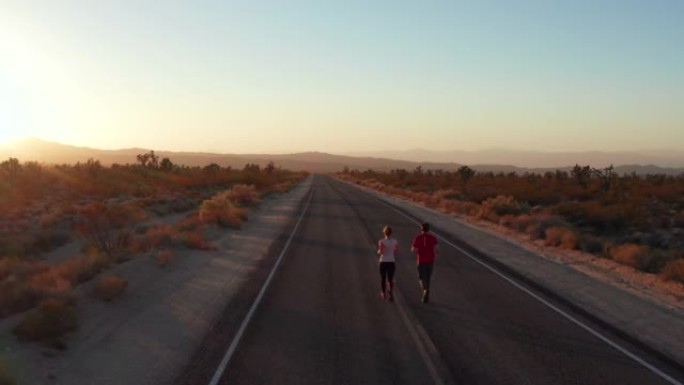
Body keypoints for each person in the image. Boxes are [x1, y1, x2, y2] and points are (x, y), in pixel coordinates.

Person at [411, 222, 438, 303]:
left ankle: (425, 290)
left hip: (421, 260)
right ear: (428, 229)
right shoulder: (433, 238)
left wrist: (417, 250)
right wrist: (435, 255)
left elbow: (414, 249)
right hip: (430, 261)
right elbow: (437, 249)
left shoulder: (418, 238)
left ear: (421, 229)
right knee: (428, 278)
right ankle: (426, 291)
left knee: (421, 277)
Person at [377, 225, 398, 302]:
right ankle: (390, 290)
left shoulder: (381, 241)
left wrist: (378, 251)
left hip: (383, 261)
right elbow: (396, 250)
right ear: (391, 233)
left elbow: (381, 252)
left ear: (384, 233)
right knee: (390, 279)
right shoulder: (395, 241)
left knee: (383, 278)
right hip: (391, 261)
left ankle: (383, 292)